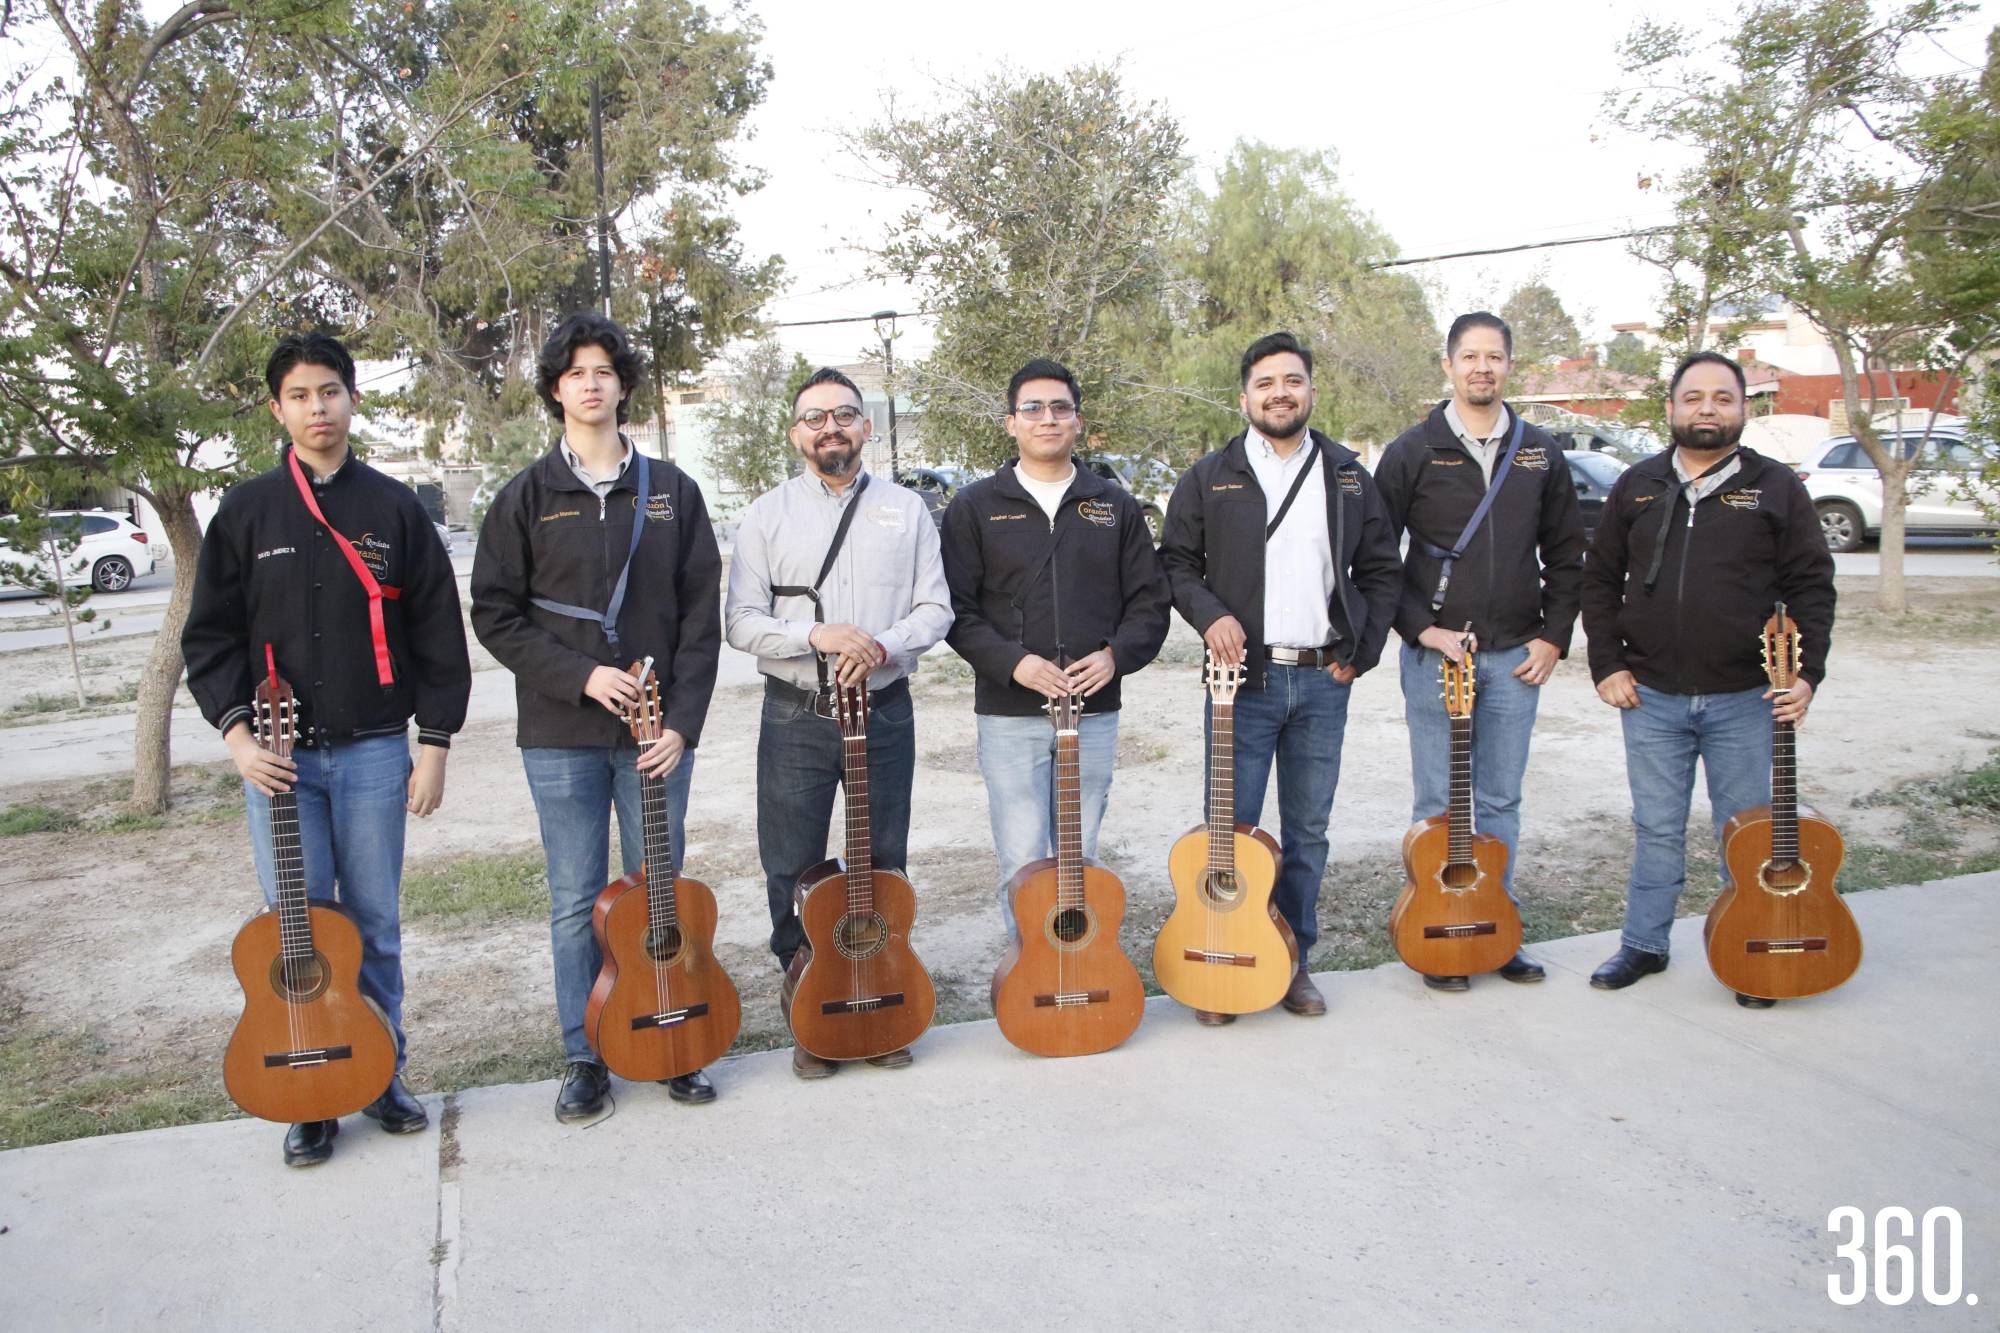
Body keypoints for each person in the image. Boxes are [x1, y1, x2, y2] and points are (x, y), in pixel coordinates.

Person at [184, 331, 471, 1166]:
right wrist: (237, 737)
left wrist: (436, 743)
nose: (319, 408)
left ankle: (380, 1070)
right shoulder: (244, 513)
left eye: (331, 392)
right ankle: (310, 1090)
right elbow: (210, 639)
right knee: (296, 932)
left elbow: (435, 632)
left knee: (375, 923)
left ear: (352, 400)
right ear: (278, 407)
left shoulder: (394, 508)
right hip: (277, 759)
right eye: (301, 395)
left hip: (376, 752)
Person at [471, 312, 722, 1119]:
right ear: (556, 389)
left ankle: (675, 1033)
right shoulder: (524, 497)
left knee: (661, 894)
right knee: (577, 897)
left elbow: (699, 618)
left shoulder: (673, 493)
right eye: (575, 371)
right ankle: (586, 1054)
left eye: (604, 370)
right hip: (561, 735)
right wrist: (581, 678)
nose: (591, 382)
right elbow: (495, 614)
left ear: (622, 386)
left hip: (658, 739)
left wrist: (682, 721)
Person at [1158, 331, 1402, 1024]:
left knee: (1308, 830)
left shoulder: (1349, 474)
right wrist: (1210, 617)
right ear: (1245, 397)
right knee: (1228, 833)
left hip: (1324, 678)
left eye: (1292, 381)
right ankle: (1222, 961)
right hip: (1243, 684)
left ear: (1311, 392)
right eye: (1266, 383)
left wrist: (1364, 649)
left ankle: (1292, 961)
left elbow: (1383, 571)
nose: (1280, 393)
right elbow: (1175, 562)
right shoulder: (1211, 475)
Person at [1579, 350, 1835, 1003]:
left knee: (1745, 833)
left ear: (1744, 408)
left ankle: (1752, 946)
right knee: (1657, 827)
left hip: (1746, 697)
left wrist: (1806, 675)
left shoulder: (1777, 487)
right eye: (1693, 397)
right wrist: (1608, 663)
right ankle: (1643, 943)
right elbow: (1600, 581)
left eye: (1723, 397)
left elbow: (1812, 586)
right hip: (1652, 696)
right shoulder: (1636, 485)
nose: (1707, 409)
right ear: (1670, 408)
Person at [724, 367, 953, 1079]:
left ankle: (881, 1001)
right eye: (816, 417)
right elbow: (739, 622)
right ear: (796, 433)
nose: (832, 428)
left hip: (882, 711)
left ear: (867, 427)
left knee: (883, 859)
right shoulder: (764, 516)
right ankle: (810, 1005)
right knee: (789, 865)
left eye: (845, 415)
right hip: (798, 714)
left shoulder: (907, 511)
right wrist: (815, 637)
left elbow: (936, 607)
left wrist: (883, 645)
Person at [1373, 311, 1587, 990]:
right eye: (1470, 356)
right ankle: (1440, 927)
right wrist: (1420, 629)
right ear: (1449, 365)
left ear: (1509, 366)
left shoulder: (1539, 451)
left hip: (1513, 659)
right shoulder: (1413, 450)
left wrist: (1554, 635)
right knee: (1438, 800)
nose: (1483, 368)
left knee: (1498, 802)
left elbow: (1567, 554)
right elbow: (1375, 559)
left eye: (1495, 357)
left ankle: (1494, 925)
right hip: (1438, 656)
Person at [938, 358, 1171, 934]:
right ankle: (1030, 973)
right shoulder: (973, 507)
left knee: (1078, 857)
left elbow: (1150, 602)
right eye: (1033, 408)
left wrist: (1116, 656)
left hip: (1092, 713)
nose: (1048, 418)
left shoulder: (1112, 506)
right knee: (1022, 859)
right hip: (1011, 713)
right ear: (1011, 422)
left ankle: (1079, 967)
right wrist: (1015, 665)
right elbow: (956, 612)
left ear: (1078, 422)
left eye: (1060, 408)